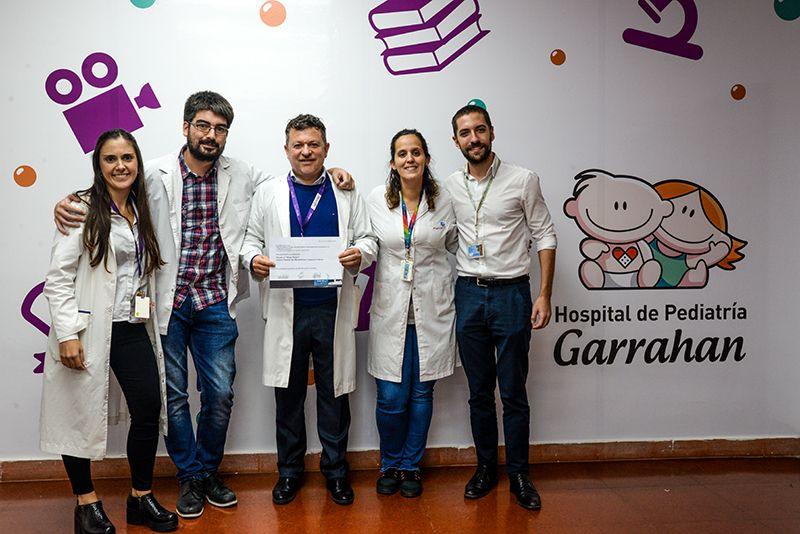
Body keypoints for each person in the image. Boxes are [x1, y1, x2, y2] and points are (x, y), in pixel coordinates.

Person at [53, 92, 355, 519]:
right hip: (168, 302)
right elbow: (112, 188)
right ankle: (190, 476)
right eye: (202, 126)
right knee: (173, 397)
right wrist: (69, 202)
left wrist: (334, 173)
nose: (210, 135)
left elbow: (294, 178)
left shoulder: (243, 174)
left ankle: (209, 470)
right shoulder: (153, 173)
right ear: (186, 128)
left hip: (214, 300)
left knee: (219, 395)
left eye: (219, 129)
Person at [41, 129, 178, 533]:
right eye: (110, 159)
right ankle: (86, 503)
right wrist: (68, 333)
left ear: (138, 162)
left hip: (131, 326)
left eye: (127, 158)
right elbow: (58, 278)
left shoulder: (141, 209)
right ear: (98, 166)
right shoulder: (81, 209)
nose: (121, 166)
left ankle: (140, 497)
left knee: (148, 408)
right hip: (87, 329)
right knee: (78, 413)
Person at [241, 114, 376, 506]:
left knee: (334, 396)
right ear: (286, 150)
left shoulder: (345, 191)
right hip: (288, 310)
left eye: (313, 144)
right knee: (288, 395)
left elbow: (368, 237)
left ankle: (336, 473)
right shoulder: (268, 193)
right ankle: (289, 472)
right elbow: (250, 239)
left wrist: (360, 253)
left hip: (331, 308)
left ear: (326, 149)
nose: (305, 151)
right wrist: (253, 260)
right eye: (298, 145)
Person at [446, 104, 557, 511]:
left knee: (512, 391)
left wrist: (544, 295)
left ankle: (520, 475)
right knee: (478, 392)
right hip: (468, 293)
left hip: (512, 294)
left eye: (479, 130)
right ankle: (485, 469)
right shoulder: (448, 186)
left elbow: (546, 235)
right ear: (455, 141)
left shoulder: (523, 180)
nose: (473, 139)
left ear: (492, 132)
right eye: (465, 133)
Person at [366, 129, 458, 498]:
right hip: (391, 311)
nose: (409, 159)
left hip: (432, 311)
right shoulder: (376, 200)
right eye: (402, 153)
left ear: (426, 159)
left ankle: (410, 466)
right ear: (392, 162)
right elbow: (368, 243)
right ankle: (389, 462)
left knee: (421, 394)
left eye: (416, 152)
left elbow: (458, 243)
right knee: (390, 396)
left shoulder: (445, 200)